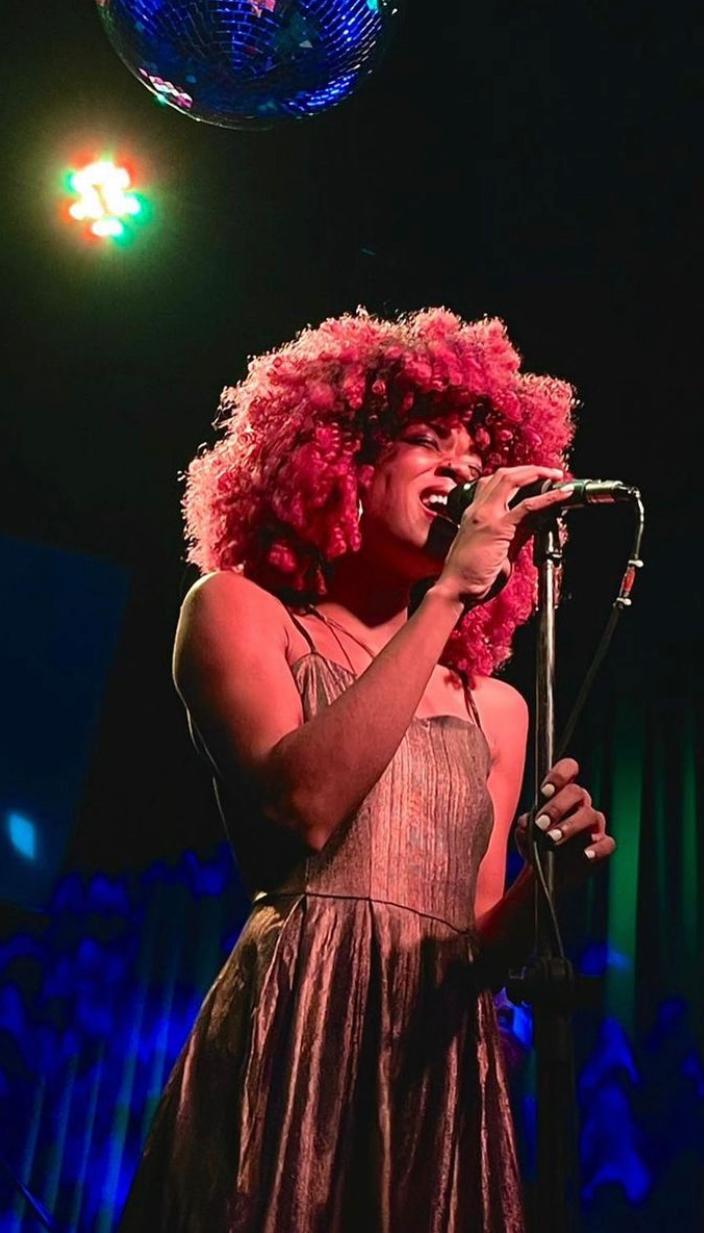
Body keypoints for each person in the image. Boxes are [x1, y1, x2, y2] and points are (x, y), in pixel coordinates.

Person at [117, 308, 616, 1233]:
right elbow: (302, 804)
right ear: (342, 457)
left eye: (476, 455)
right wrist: (449, 591)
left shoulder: (497, 707)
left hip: (436, 1050)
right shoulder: (238, 611)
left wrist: (552, 885)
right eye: (428, 440)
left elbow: (476, 942)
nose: (460, 470)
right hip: (302, 1016)